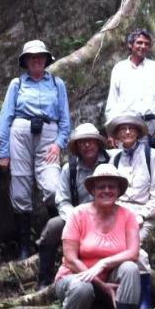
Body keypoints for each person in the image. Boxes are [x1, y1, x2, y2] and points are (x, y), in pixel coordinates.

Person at [0, 40, 72, 260]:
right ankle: (24, 246)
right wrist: (3, 152)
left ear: (46, 59)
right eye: (31, 57)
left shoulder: (57, 84)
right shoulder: (17, 85)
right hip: (20, 133)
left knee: (54, 188)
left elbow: (65, 120)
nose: (36, 60)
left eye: (40, 56)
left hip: (48, 135)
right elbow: (4, 119)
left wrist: (59, 143)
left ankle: (55, 240)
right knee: (20, 187)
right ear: (26, 61)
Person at [54, 163, 142, 309]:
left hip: (110, 277)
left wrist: (103, 263)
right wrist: (100, 285)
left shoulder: (128, 216)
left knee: (130, 268)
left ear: (119, 190)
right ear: (93, 190)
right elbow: (70, 259)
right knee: (82, 287)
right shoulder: (78, 214)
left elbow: (133, 252)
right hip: (74, 277)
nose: (107, 190)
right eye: (101, 187)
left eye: (112, 186)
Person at [36, 122, 110, 288]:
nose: (87, 145)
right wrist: (75, 218)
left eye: (90, 140)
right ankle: (44, 280)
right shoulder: (70, 169)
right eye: (82, 142)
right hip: (78, 217)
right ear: (77, 146)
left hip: (108, 216)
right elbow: (62, 200)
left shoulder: (112, 161)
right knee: (52, 227)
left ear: (98, 142)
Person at [106, 115, 155, 309]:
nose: (128, 132)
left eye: (132, 128)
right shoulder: (114, 158)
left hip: (143, 215)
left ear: (138, 131)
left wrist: (141, 216)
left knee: (134, 249)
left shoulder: (152, 155)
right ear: (118, 134)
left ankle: (144, 301)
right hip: (117, 215)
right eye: (123, 129)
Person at [105, 28, 155, 150]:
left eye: (146, 44)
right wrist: (111, 130)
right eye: (139, 42)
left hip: (149, 125)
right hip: (125, 125)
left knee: (148, 160)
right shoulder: (119, 69)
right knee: (125, 162)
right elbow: (112, 102)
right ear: (130, 45)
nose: (143, 46)